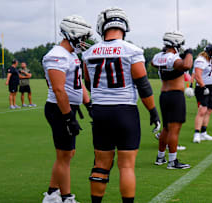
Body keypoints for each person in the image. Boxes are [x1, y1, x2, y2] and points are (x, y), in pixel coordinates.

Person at [82, 7, 160, 203]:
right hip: (125, 110)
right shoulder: (132, 51)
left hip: (100, 110)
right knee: (126, 166)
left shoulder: (89, 52)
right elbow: (143, 85)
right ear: (124, 26)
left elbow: (89, 83)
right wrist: (153, 112)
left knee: (100, 163)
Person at [42, 15, 93, 203]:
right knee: (64, 155)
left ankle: (51, 193)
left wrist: (88, 104)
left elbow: (78, 85)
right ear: (72, 34)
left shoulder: (71, 54)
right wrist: (68, 117)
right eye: (82, 37)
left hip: (66, 107)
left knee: (67, 154)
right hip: (59, 109)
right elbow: (58, 89)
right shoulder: (57, 55)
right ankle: (66, 198)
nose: (84, 41)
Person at [151, 31, 193, 169]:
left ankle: (160, 157)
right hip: (175, 95)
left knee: (166, 128)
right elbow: (187, 65)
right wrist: (188, 52)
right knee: (174, 129)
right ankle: (172, 161)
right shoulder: (172, 58)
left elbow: (154, 63)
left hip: (164, 95)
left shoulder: (158, 56)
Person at [192, 44, 212, 143]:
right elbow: (198, 76)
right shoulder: (200, 60)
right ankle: (197, 133)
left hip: (210, 87)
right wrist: (204, 87)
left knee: (209, 110)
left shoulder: (208, 60)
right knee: (202, 110)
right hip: (203, 88)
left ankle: (203, 133)